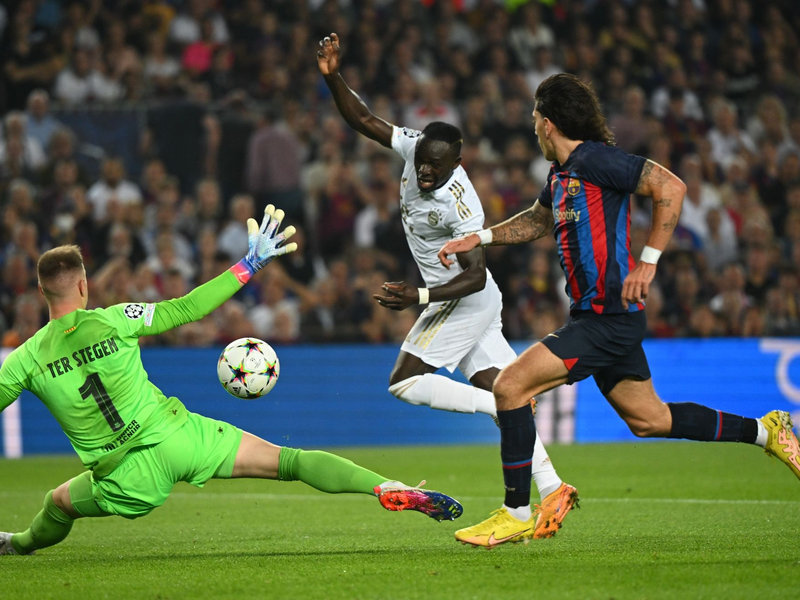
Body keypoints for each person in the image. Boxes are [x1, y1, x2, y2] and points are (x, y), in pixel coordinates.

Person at [438, 73, 800, 548]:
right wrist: (479, 237)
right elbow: (537, 220)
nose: (532, 129)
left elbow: (671, 187)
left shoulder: (596, 160)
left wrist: (647, 263)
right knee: (649, 419)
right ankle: (765, 431)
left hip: (607, 318)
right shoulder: (561, 175)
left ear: (547, 123)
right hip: (601, 319)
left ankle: (516, 512)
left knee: (510, 386)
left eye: (533, 120)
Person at [0, 206, 462, 557]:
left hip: (126, 475)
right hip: (181, 436)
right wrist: (250, 265)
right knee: (292, 461)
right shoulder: (118, 318)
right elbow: (189, 307)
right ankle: (384, 487)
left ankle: (17, 545)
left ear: (42, 291)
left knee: (57, 501)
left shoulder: (22, 361)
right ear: (83, 286)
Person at [317, 33, 577, 540]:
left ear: (457, 164)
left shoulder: (463, 205)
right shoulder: (415, 148)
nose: (426, 173)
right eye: (423, 166)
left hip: (466, 298)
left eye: (437, 168)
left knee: (404, 381)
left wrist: (416, 297)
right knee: (508, 391)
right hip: (469, 302)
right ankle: (553, 489)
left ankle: (510, 406)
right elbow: (365, 120)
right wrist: (332, 77)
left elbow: (474, 275)